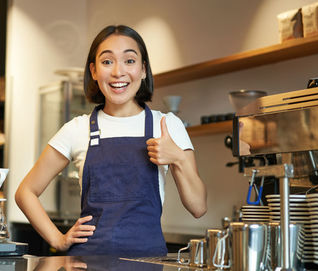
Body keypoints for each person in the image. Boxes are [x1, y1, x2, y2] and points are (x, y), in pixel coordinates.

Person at [15, 25, 207, 257]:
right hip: (87, 261)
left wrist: (177, 158)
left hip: (148, 262)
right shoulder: (77, 129)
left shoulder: (166, 125)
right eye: (107, 62)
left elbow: (198, 207)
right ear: (94, 71)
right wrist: (59, 239)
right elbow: (26, 191)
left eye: (129, 60)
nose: (118, 72)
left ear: (143, 69)